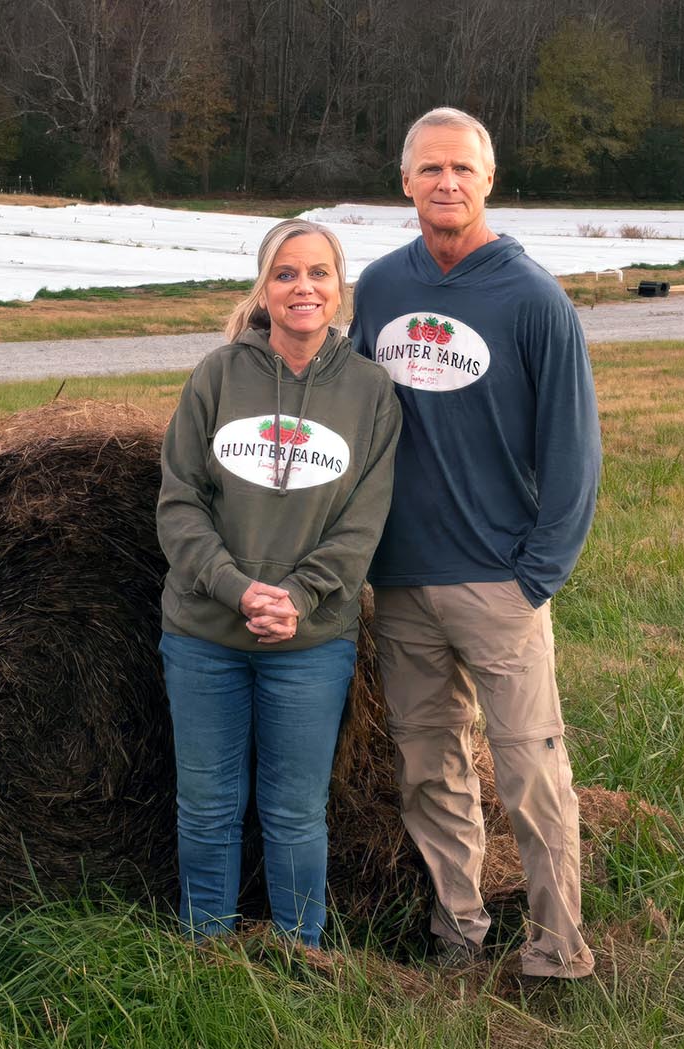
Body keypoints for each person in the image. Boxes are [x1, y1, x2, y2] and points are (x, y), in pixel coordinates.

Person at [349, 107, 602, 979]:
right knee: (431, 770)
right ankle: (458, 932)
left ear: (489, 180)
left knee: (531, 774)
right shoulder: (379, 289)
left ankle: (558, 947)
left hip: (499, 584)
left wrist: (537, 577)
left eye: (461, 168)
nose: (445, 183)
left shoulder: (533, 299)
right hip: (403, 581)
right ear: (405, 182)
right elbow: (347, 412)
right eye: (429, 170)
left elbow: (574, 454)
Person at [158, 219, 401, 946]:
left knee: (294, 812)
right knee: (206, 806)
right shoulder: (216, 375)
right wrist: (237, 589)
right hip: (205, 636)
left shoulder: (369, 392)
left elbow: (363, 524)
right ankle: (207, 949)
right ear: (265, 289)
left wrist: (296, 597)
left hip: (310, 642)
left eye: (319, 273)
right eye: (287, 274)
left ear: (340, 287)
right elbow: (179, 503)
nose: (304, 288)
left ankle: (301, 954)